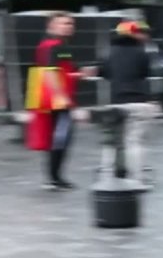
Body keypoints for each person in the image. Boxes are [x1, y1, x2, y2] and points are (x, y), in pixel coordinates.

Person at [26, 12, 94, 190]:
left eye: (71, 24)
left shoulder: (56, 46)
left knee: (57, 137)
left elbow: (62, 70)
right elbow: (49, 72)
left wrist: (78, 74)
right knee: (61, 138)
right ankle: (55, 178)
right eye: (64, 23)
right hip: (56, 100)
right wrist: (62, 98)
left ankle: (53, 177)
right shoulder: (54, 46)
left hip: (49, 98)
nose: (69, 27)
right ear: (51, 26)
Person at [99, 20, 155, 183]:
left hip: (117, 100)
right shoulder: (142, 52)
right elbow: (145, 73)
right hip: (139, 101)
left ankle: (107, 177)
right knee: (135, 141)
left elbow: (105, 73)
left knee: (112, 141)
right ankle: (137, 178)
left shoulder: (109, 52)